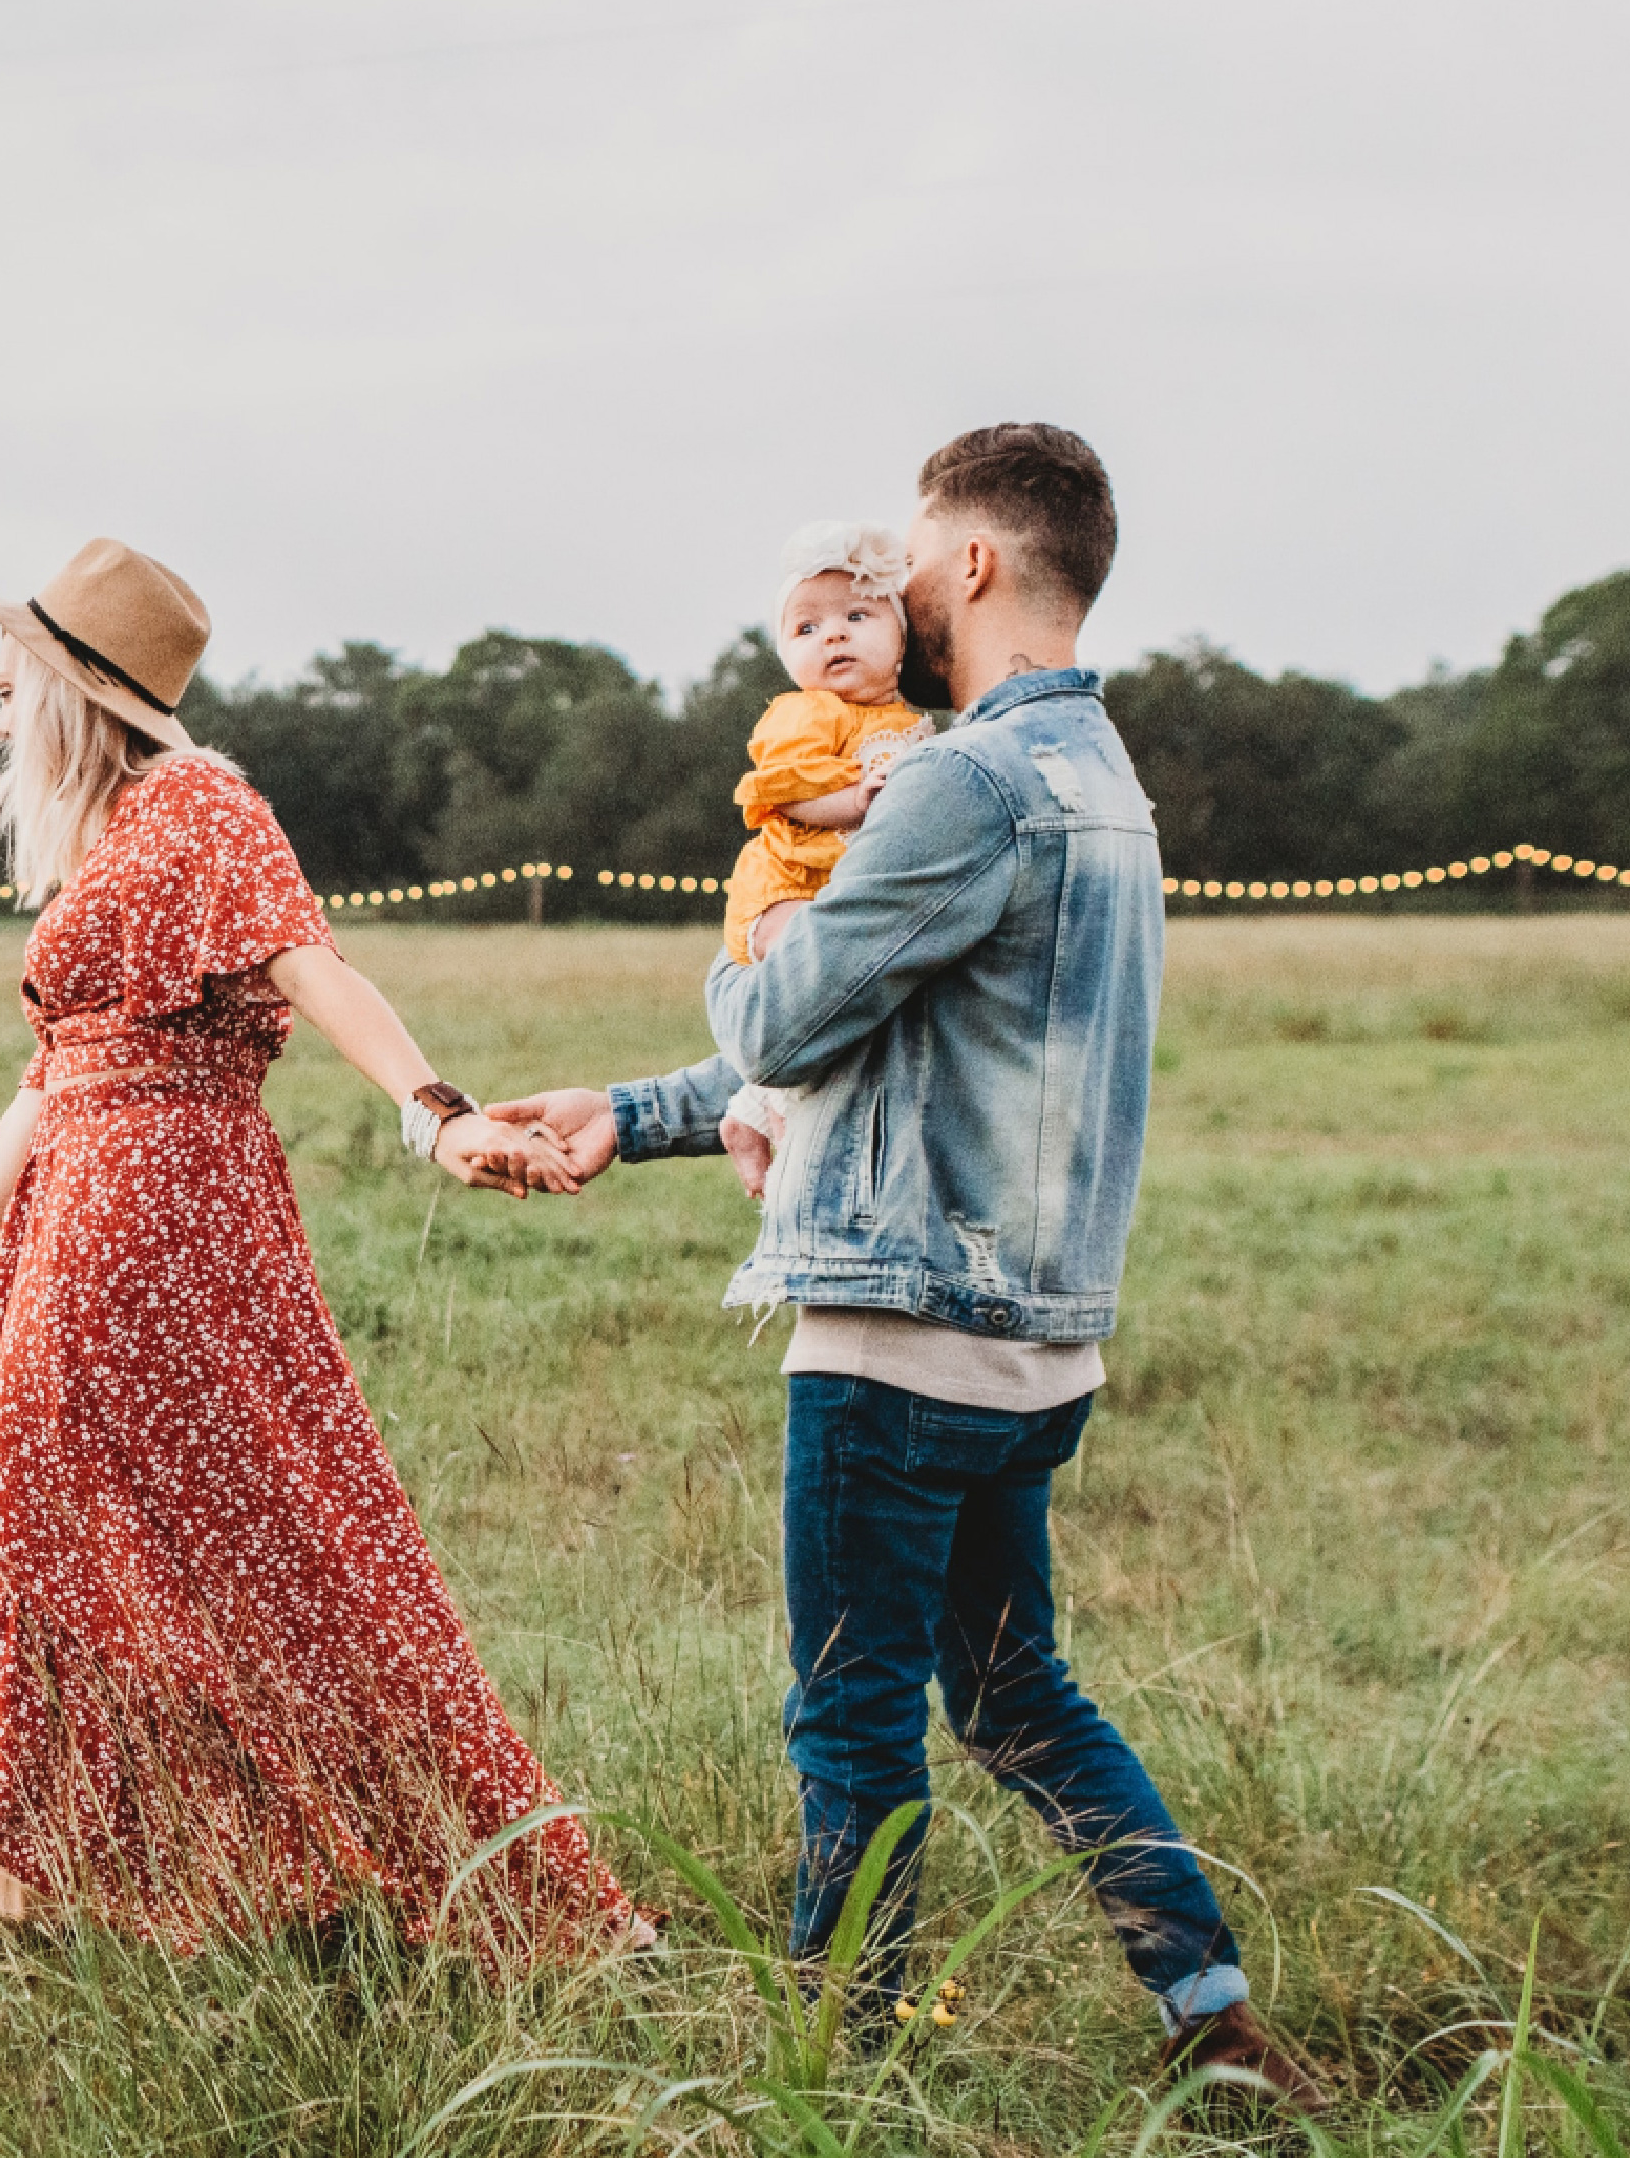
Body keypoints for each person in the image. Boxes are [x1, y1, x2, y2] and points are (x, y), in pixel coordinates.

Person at [493, 426, 1317, 2100]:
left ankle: (839, 2073)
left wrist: (763, 943)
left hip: (896, 1338)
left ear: (981, 566)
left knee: (851, 1719)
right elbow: (893, 1043)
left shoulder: (959, 779)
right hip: (1038, 1349)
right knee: (1020, 1697)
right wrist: (636, 1113)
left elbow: (796, 1012)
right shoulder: (1103, 783)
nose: (899, 591)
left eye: (920, 559)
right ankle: (1211, 2019)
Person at [0, 536, 640, 1950]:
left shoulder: (200, 802)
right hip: (79, 1219)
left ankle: (382, 1874)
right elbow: (44, 1084)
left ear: (74, 687)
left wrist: (436, 1112)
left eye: (11, 670)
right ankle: (95, 1893)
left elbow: (312, 961)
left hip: (161, 1218)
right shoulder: (103, 838)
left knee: (271, 1541)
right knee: (73, 1547)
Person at [716, 521, 934, 1198]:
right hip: (785, 886)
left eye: (857, 616)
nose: (832, 636)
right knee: (810, 975)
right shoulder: (807, 714)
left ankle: (756, 1108)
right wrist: (854, 801)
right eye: (805, 628)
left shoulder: (912, 724)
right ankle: (767, 1109)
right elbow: (784, 791)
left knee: (848, 993)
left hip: (838, 891)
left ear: (902, 638)